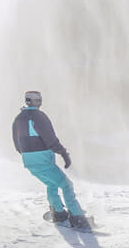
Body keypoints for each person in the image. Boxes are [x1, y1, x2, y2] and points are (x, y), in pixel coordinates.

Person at [11, 90, 91, 230]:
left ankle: (58, 212)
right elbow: (50, 139)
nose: (40, 102)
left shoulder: (18, 119)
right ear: (34, 101)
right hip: (42, 158)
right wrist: (64, 153)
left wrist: (26, 153)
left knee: (51, 184)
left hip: (29, 161)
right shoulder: (39, 117)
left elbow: (16, 143)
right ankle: (78, 218)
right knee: (66, 185)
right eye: (38, 100)